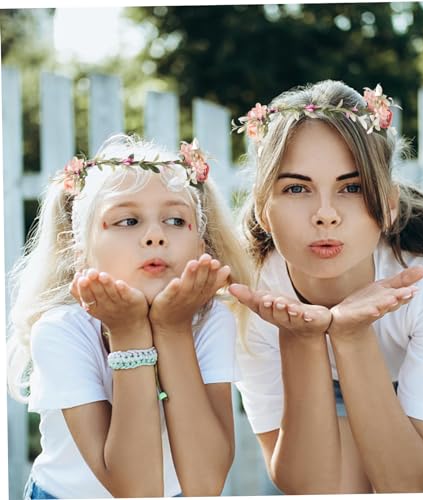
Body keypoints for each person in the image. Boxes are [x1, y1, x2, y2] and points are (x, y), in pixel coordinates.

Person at [229, 80, 423, 493]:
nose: (325, 214)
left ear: (389, 206)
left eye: (351, 187)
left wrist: (351, 336)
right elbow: (305, 485)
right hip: (317, 375)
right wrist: (301, 339)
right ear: (264, 209)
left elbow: (406, 481)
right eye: (297, 188)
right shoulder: (252, 292)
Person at [7, 134, 250, 499]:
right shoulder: (61, 331)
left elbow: (204, 486)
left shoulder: (211, 319)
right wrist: (129, 334)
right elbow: (135, 492)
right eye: (127, 221)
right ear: (82, 255)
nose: (155, 236)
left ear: (201, 246)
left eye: (174, 219)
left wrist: (173, 329)